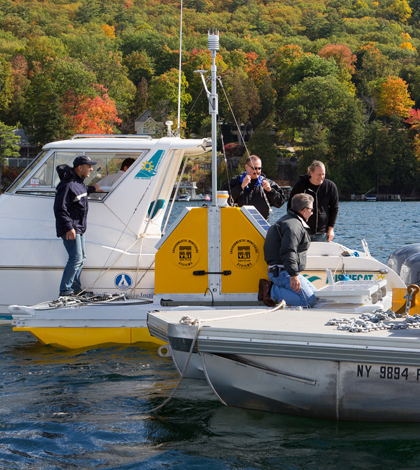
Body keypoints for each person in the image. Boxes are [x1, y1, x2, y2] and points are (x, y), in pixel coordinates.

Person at [54, 155, 101, 297]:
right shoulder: (67, 184)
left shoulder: (78, 183)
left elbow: (82, 190)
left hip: (79, 227)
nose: (91, 169)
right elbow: (59, 208)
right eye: (89, 166)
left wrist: (92, 188)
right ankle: (65, 291)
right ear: (80, 167)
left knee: (81, 258)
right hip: (71, 228)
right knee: (75, 258)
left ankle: (76, 290)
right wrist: (68, 227)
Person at [261, 193, 317, 307]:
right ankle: (271, 290)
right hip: (282, 272)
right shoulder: (293, 226)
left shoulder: (291, 221)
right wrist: (293, 275)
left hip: (285, 270)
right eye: (311, 209)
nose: (312, 212)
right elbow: (288, 250)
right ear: (304, 210)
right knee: (308, 301)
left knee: (316, 295)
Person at [287, 160, 338, 242]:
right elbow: (290, 207)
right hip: (302, 232)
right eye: (319, 174)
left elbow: (334, 209)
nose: (321, 177)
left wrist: (331, 229)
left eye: (323, 174)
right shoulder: (300, 186)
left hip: (322, 233)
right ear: (311, 173)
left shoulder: (330, 187)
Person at [222, 155, 285, 220]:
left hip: (260, 226)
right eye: (254, 168)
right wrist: (240, 187)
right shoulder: (234, 182)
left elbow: (280, 203)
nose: (257, 171)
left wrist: (270, 191)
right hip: (239, 224)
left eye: (259, 168)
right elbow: (224, 202)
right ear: (246, 167)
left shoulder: (268, 183)